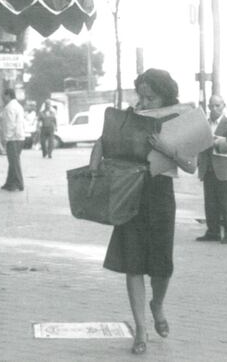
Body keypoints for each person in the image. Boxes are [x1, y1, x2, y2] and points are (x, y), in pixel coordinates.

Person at [90, 69, 196, 355]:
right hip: (129, 192)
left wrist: (167, 149)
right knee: (133, 263)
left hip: (160, 195)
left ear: (166, 96)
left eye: (152, 97)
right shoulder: (130, 116)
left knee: (162, 266)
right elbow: (104, 144)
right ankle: (140, 329)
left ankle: (157, 304)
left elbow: (191, 165)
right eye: (142, 96)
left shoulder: (179, 118)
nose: (145, 102)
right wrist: (97, 159)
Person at [196, 95, 227, 244]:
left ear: (223, 106)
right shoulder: (205, 124)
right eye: (211, 106)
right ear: (208, 107)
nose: (214, 109)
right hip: (208, 169)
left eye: (217, 106)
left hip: (225, 170)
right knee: (210, 203)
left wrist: (216, 143)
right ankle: (213, 232)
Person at [0, 89, 25, 191]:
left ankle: (18, 183)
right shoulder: (18, 106)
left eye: (4, 96)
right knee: (13, 161)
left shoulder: (9, 107)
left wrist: (6, 138)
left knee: (14, 162)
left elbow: (10, 124)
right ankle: (9, 182)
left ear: (8, 95)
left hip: (13, 138)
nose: (2, 98)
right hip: (19, 137)